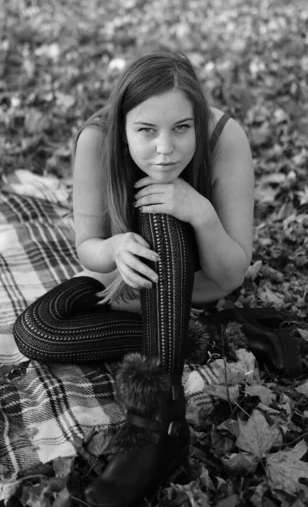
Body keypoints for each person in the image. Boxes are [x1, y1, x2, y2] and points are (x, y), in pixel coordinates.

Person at [13, 51, 254, 507]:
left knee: (160, 208)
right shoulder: (95, 139)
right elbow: (88, 247)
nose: (166, 148)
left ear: (198, 122)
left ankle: (158, 423)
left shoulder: (226, 138)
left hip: (199, 287)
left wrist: (199, 212)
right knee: (35, 332)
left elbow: (231, 272)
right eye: (147, 130)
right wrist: (114, 248)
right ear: (122, 127)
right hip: (128, 287)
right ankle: (202, 335)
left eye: (182, 128)